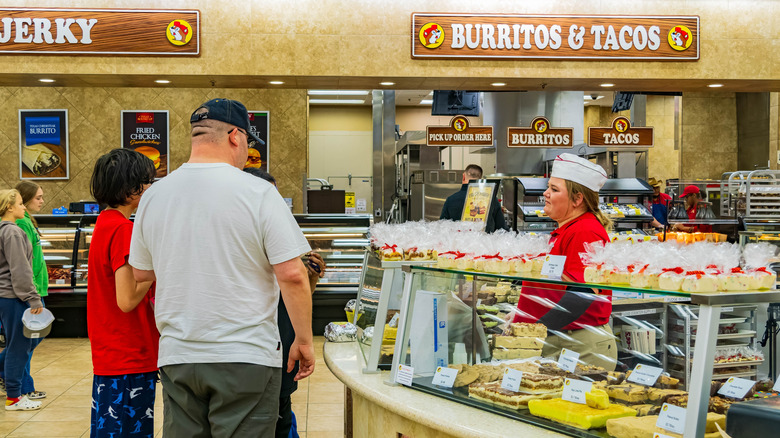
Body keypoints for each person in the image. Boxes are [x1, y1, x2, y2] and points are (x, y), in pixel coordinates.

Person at [129, 98, 315, 438]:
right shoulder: (258, 192)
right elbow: (292, 274)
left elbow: (141, 274)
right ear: (235, 136)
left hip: (178, 355)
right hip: (246, 356)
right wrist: (303, 340)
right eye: (247, 143)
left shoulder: (154, 196)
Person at [510, 153, 617, 371]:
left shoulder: (585, 230)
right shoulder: (568, 228)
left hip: (578, 344)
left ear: (577, 199)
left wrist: (534, 327)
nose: (545, 193)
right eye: (548, 187)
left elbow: (582, 295)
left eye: (554, 189)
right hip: (563, 338)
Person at [243, 167, 325, 438]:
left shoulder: (280, 233)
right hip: (258, 352)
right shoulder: (242, 239)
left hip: (282, 349)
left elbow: (295, 292)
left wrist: (311, 277)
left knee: (280, 415)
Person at [87, 149, 158, 438]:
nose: (151, 188)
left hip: (111, 352)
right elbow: (127, 299)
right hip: (129, 353)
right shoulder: (122, 230)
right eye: (147, 182)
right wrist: (156, 268)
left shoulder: (104, 223)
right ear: (132, 189)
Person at [0, 181, 48, 401]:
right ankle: (16, 394)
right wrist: (33, 298)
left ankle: (18, 388)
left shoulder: (10, 229)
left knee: (21, 343)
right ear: (9, 206)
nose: (24, 207)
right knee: (20, 345)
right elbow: (20, 269)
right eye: (21, 203)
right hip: (17, 296)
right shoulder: (13, 232)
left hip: (12, 295)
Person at [440, 164, 507, 233]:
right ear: (480, 180)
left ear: (463, 177)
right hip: (483, 243)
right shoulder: (491, 199)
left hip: (457, 243)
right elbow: (502, 230)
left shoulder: (450, 200)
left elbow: (442, 227)